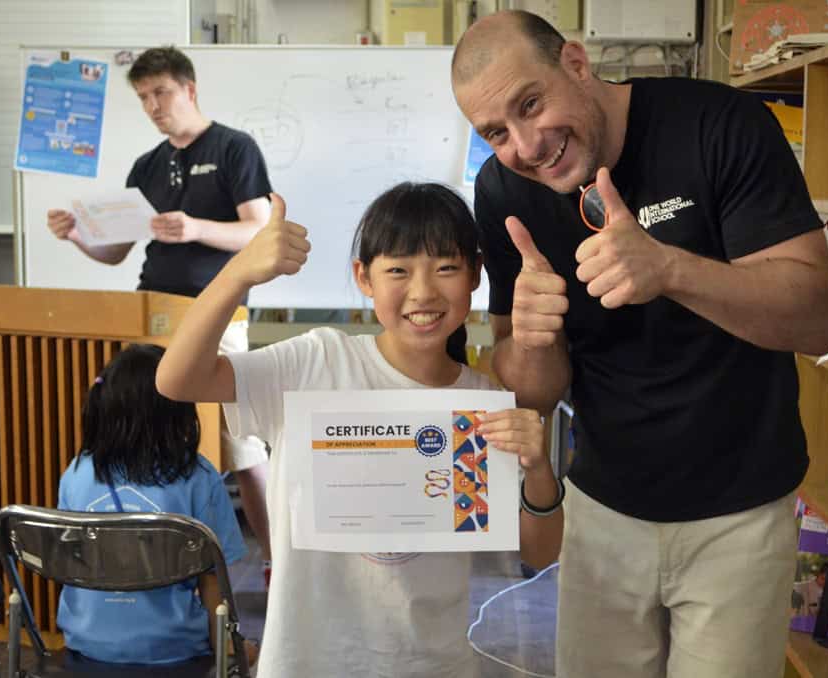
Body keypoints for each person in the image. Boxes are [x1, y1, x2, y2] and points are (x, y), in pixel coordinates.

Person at [451, 10, 828, 678]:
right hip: (603, 511)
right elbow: (532, 387)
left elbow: (818, 318)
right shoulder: (503, 190)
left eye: (531, 104)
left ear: (576, 63)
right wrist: (536, 338)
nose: (526, 144)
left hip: (740, 512)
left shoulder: (719, 124)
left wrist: (668, 269)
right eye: (496, 131)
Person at [156, 183, 564, 677]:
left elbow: (541, 553)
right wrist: (240, 272)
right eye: (397, 269)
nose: (423, 291)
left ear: (475, 275)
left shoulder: (477, 406)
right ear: (363, 277)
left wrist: (538, 467)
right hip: (307, 662)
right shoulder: (317, 361)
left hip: (431, 664)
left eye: (446, 267)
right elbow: (179, 379)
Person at [45, 46, 274, 574]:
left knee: (239, 444)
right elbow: (116, 250)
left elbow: (259, 230)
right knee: (144, 428)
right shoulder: (146, 166)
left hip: (217, 315)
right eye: (144, 97)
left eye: (161, 93)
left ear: (189, 89)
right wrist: (78, 236)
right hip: (150, 315)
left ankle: (274, 555)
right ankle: (148, 554)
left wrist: (196, 229)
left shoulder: (235, 147)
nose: (153, 105)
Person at [56, 343, 247, 665]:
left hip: (86, 646)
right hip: (175, 652)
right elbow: (214, 580)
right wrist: (230, 648)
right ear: (175, 409)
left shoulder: (76, 473)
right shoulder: (198, 476)